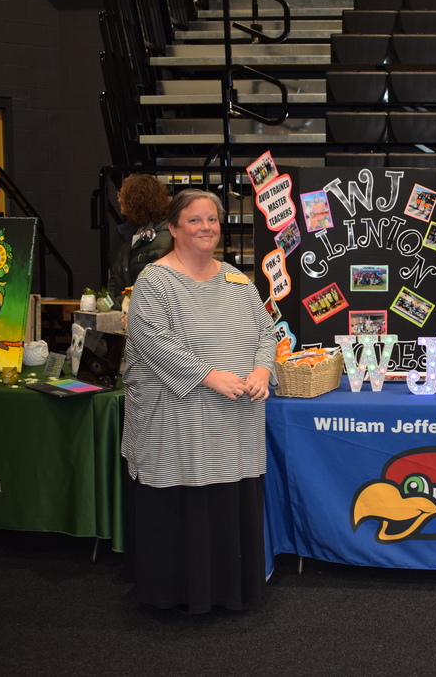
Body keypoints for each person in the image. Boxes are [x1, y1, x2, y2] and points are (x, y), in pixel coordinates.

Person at [121, 189, 276, 613]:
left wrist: (262, 370)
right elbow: (152, 341)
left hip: (235, 428)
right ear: (172, 228)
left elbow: (267, 332)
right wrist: (209, 376)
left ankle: (230, 591)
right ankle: (173, 596)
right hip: (179, 431)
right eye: (194, 220)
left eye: (212, 219)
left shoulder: (238, 281)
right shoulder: (154, 282)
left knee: (228, 503)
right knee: (185, 503)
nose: (206, 227)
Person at [108, 174, 172, 308]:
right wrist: (107, 304)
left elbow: (151, 289)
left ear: (137, 200)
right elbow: (115, 279)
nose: (119, 200)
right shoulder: (131, 234)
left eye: (122, 195)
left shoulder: (163, 237)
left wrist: (115, 305)